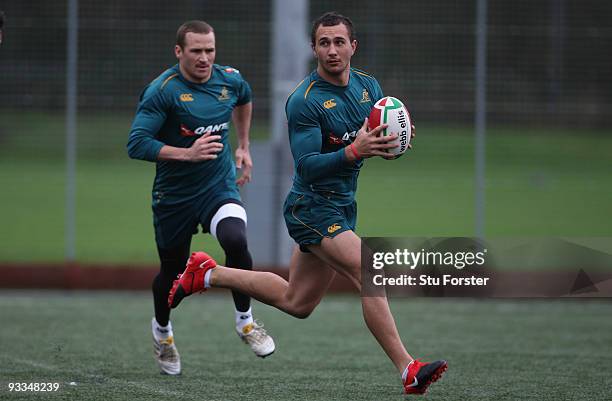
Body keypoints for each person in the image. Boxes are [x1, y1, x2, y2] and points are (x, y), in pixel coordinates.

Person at [168, 12, 447, 394]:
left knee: (297, 301)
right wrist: (353, 151)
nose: (332, 50)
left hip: (342, 206)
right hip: (310, 207)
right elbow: (307, 166)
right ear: (313, 48)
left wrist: (394, 141)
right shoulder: (304, 101)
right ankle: (408, 370)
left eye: (339, 42)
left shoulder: (369, 88)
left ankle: (208, 273)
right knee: (370, 271)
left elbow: (375, 139)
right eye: (323, 43)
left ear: (353, 46)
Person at [127, 20, 275, 375]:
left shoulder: (229, 79)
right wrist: (187, 154)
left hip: (217, 186)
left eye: (210, 50)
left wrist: (243, 145)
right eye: (196, 51)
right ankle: (162, 332)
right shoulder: (162, 91)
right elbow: (136, 144)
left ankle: (246, 322)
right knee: (173, 271)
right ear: (179, 51)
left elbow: (245, 98)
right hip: (174, 195)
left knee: (236, 240)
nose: (204, 58)